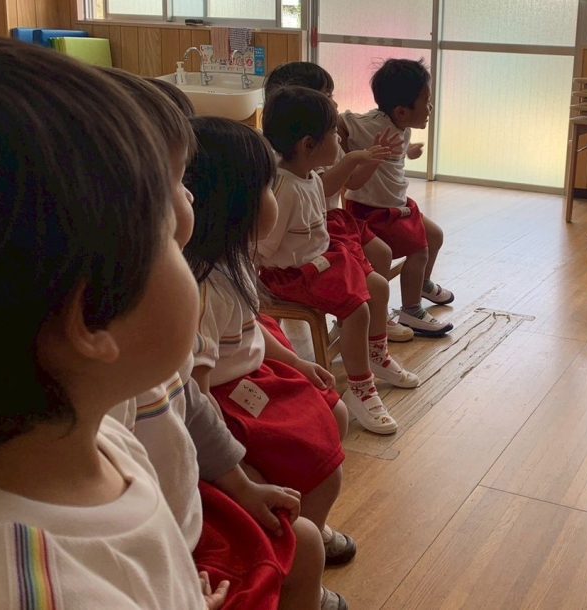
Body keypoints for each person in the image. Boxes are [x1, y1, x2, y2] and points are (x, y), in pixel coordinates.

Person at [0, 36, 205, 607]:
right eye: (167, 235)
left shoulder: (97, 438)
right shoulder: (23, 589)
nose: (186, 231)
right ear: (93, 314)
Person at [104, 68, 341, 610]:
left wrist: (240, 484)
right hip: (170, 554)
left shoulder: (153, 359)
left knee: (306, 526)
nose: (189, 192)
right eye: (173, 181)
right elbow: (200, 390)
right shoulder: (188, 302)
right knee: (302, 516)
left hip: (184, 515)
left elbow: (187, 398)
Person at [260, 86, 421, 435]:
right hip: (292, 275)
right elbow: (265, 248)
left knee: (377, 287)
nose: (339, 139)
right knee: (357, 308)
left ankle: (376, 357)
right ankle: (361, 388)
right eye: (334, 133)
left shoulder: (309, 178)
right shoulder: (284, 189)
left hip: (321, 262)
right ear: (308, 145)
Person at [262, 61, 414, 343]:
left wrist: (374, 159)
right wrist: (353, 159)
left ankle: (371, 316)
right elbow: (321, 191)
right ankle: (356, 321)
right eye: (326, 95)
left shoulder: (325, 141)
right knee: (365, 275)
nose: (334, 103)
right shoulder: (292, 166)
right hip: (319, 229)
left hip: (333, 220)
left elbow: (352, 182)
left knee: (381, 254)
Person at [340, 58, 455, 337]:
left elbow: (393, 144)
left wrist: (407, 150)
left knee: (435, 236)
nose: (430, 108)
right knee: (419, 250)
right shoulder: (371, 125)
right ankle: (411, 310)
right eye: (426, 102)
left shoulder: (401, 125)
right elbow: (340, 120)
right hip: (370, 211)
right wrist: (345, 152)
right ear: (402, 111)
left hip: (396, 205)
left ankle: (421, 283)